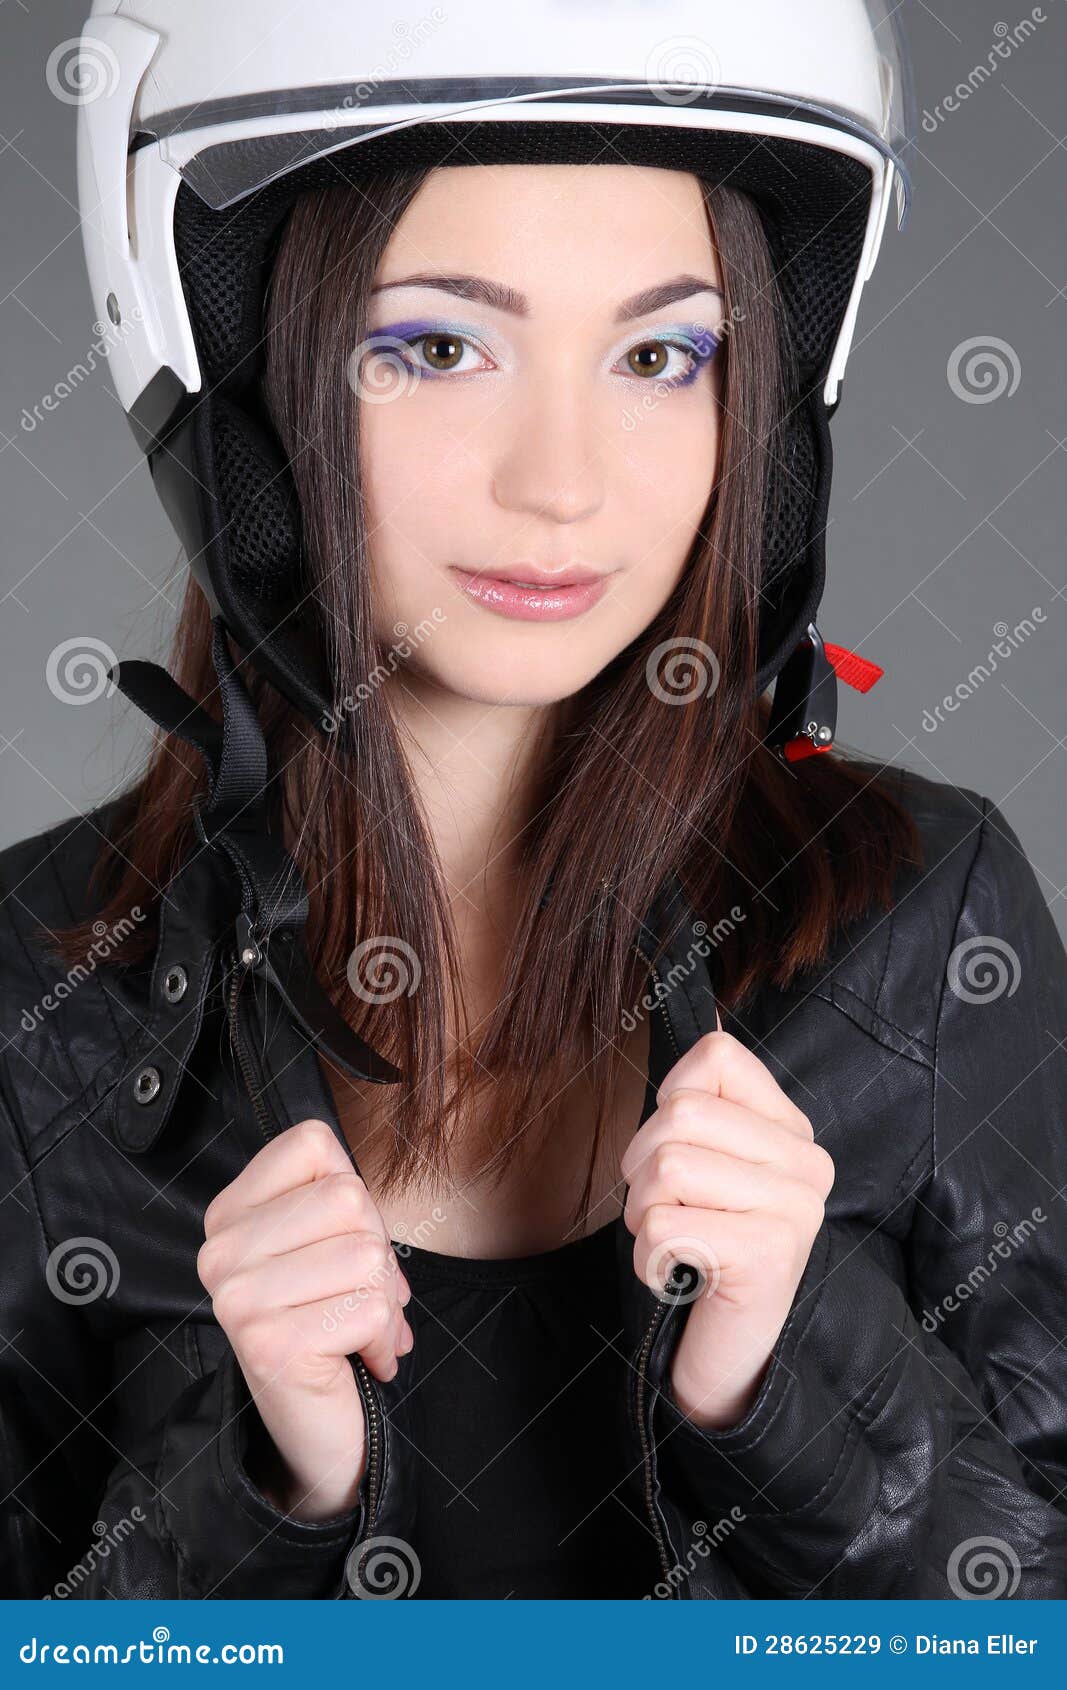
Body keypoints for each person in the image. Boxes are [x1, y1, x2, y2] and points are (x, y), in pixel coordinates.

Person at [2, 0, 1066, 1602]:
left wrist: (787, 1375)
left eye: (660, 354)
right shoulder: (41, 993)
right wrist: (266, 1486)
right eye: (438, 346)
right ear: (242, 384)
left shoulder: (932, 921)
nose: (561, 481)